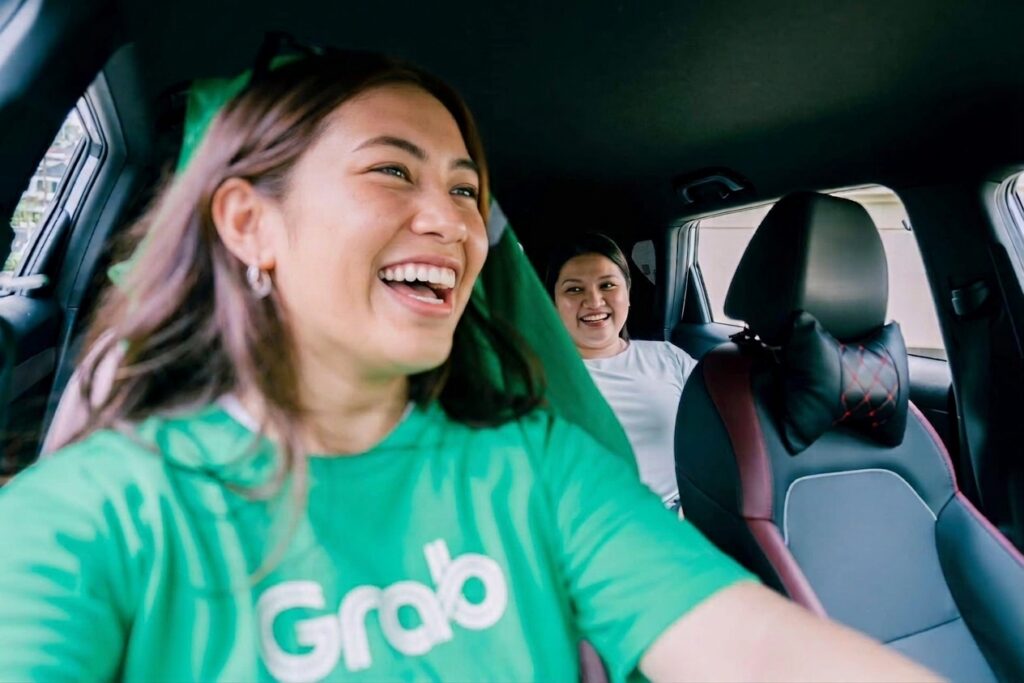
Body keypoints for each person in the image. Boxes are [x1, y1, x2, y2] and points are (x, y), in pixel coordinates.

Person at [0, 47, 938, 683]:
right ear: (251, 223)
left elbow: (754, 648)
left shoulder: (535, 466)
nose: (449, 221)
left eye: (464, 189)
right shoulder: (93, 513)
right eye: (392, 171)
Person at [549, 234, 695, 508]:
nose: (594, 301)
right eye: (575, 289)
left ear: (627, 293)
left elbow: (723, 434)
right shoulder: (535, 377)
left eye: (607, 285)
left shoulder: (669, 358)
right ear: (554, 303)